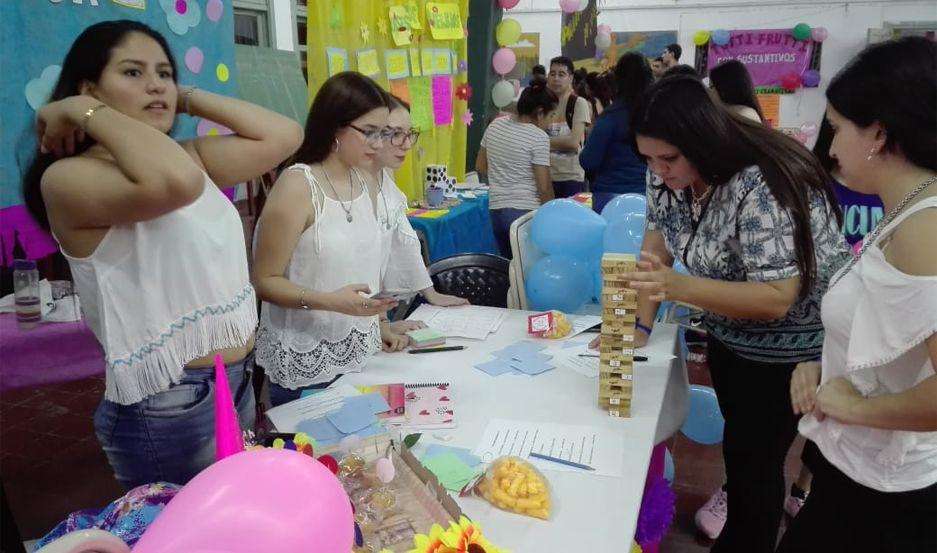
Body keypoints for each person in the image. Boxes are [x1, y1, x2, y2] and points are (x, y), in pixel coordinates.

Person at [21, 20, 303, 488]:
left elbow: (284, 135)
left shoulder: (183, 157)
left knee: (229, 524)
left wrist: (183, 96)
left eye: (165, 73)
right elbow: (177, 185)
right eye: (133, 73)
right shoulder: (69, 178)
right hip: (170, 400)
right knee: (181, 535)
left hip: (234, 381)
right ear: (89, 89)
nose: (155, 85)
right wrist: (83, 108)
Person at [607, 74, 848, 553]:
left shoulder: (764, 181)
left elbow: (778, 295)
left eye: (668, 159)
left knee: (756, 467)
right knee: (741, 460)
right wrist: (633, 328)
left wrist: (680, 287)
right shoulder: (666, 176)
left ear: (702, 140)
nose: (657, 171)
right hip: (730, 336)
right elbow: (655, 254)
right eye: (648, 159)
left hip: (794, 349)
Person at [779, 36, 937, 553]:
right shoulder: (906, 210)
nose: (830, 147)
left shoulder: (924, 230)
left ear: (878, 132)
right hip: (852, 468)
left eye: (837, 128)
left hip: (888, 497)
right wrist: (828, 371)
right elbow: (895, 341)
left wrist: (850, 405)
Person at [252, 72, 417, 408]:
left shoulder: (368, 180)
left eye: (383, 133)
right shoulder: (299, 185)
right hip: (307, 359)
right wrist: (330, 301)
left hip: (362, 354)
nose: (379, 143)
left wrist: (380, 321)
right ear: (335, 126)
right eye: (369, 132)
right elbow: (264, 281)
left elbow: (365, 269)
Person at [369, 94, 469, 308]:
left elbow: (402, 240)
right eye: (396, 134)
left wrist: (431, 294)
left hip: (377, 310)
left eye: (409, 134)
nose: (406, 145)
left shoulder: (384, 174)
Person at [476, 80, 557, 258]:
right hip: (526, 213)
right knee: (527, 270)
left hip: (496, 210)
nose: (551, 123)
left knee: (507, 267)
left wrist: (504, 177)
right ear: (540, 113)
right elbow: (544, 188)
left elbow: (480, 166)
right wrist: (552, 215)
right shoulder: (539, 137)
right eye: (551, 116)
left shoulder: (495, 125)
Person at [579, 53, 652, 213]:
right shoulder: (659, 114)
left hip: (609, 199)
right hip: (650, 198)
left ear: (618, 80)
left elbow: (589, 161)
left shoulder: (611, 117)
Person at [545, 56, 592, 198]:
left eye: (561, 74)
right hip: (545, 175)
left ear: (570, 78)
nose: (556, 79)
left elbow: (573, 143)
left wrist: (540, 142)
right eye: (552, 74)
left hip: (571, 177)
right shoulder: (542, 103)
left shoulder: (578, 103)